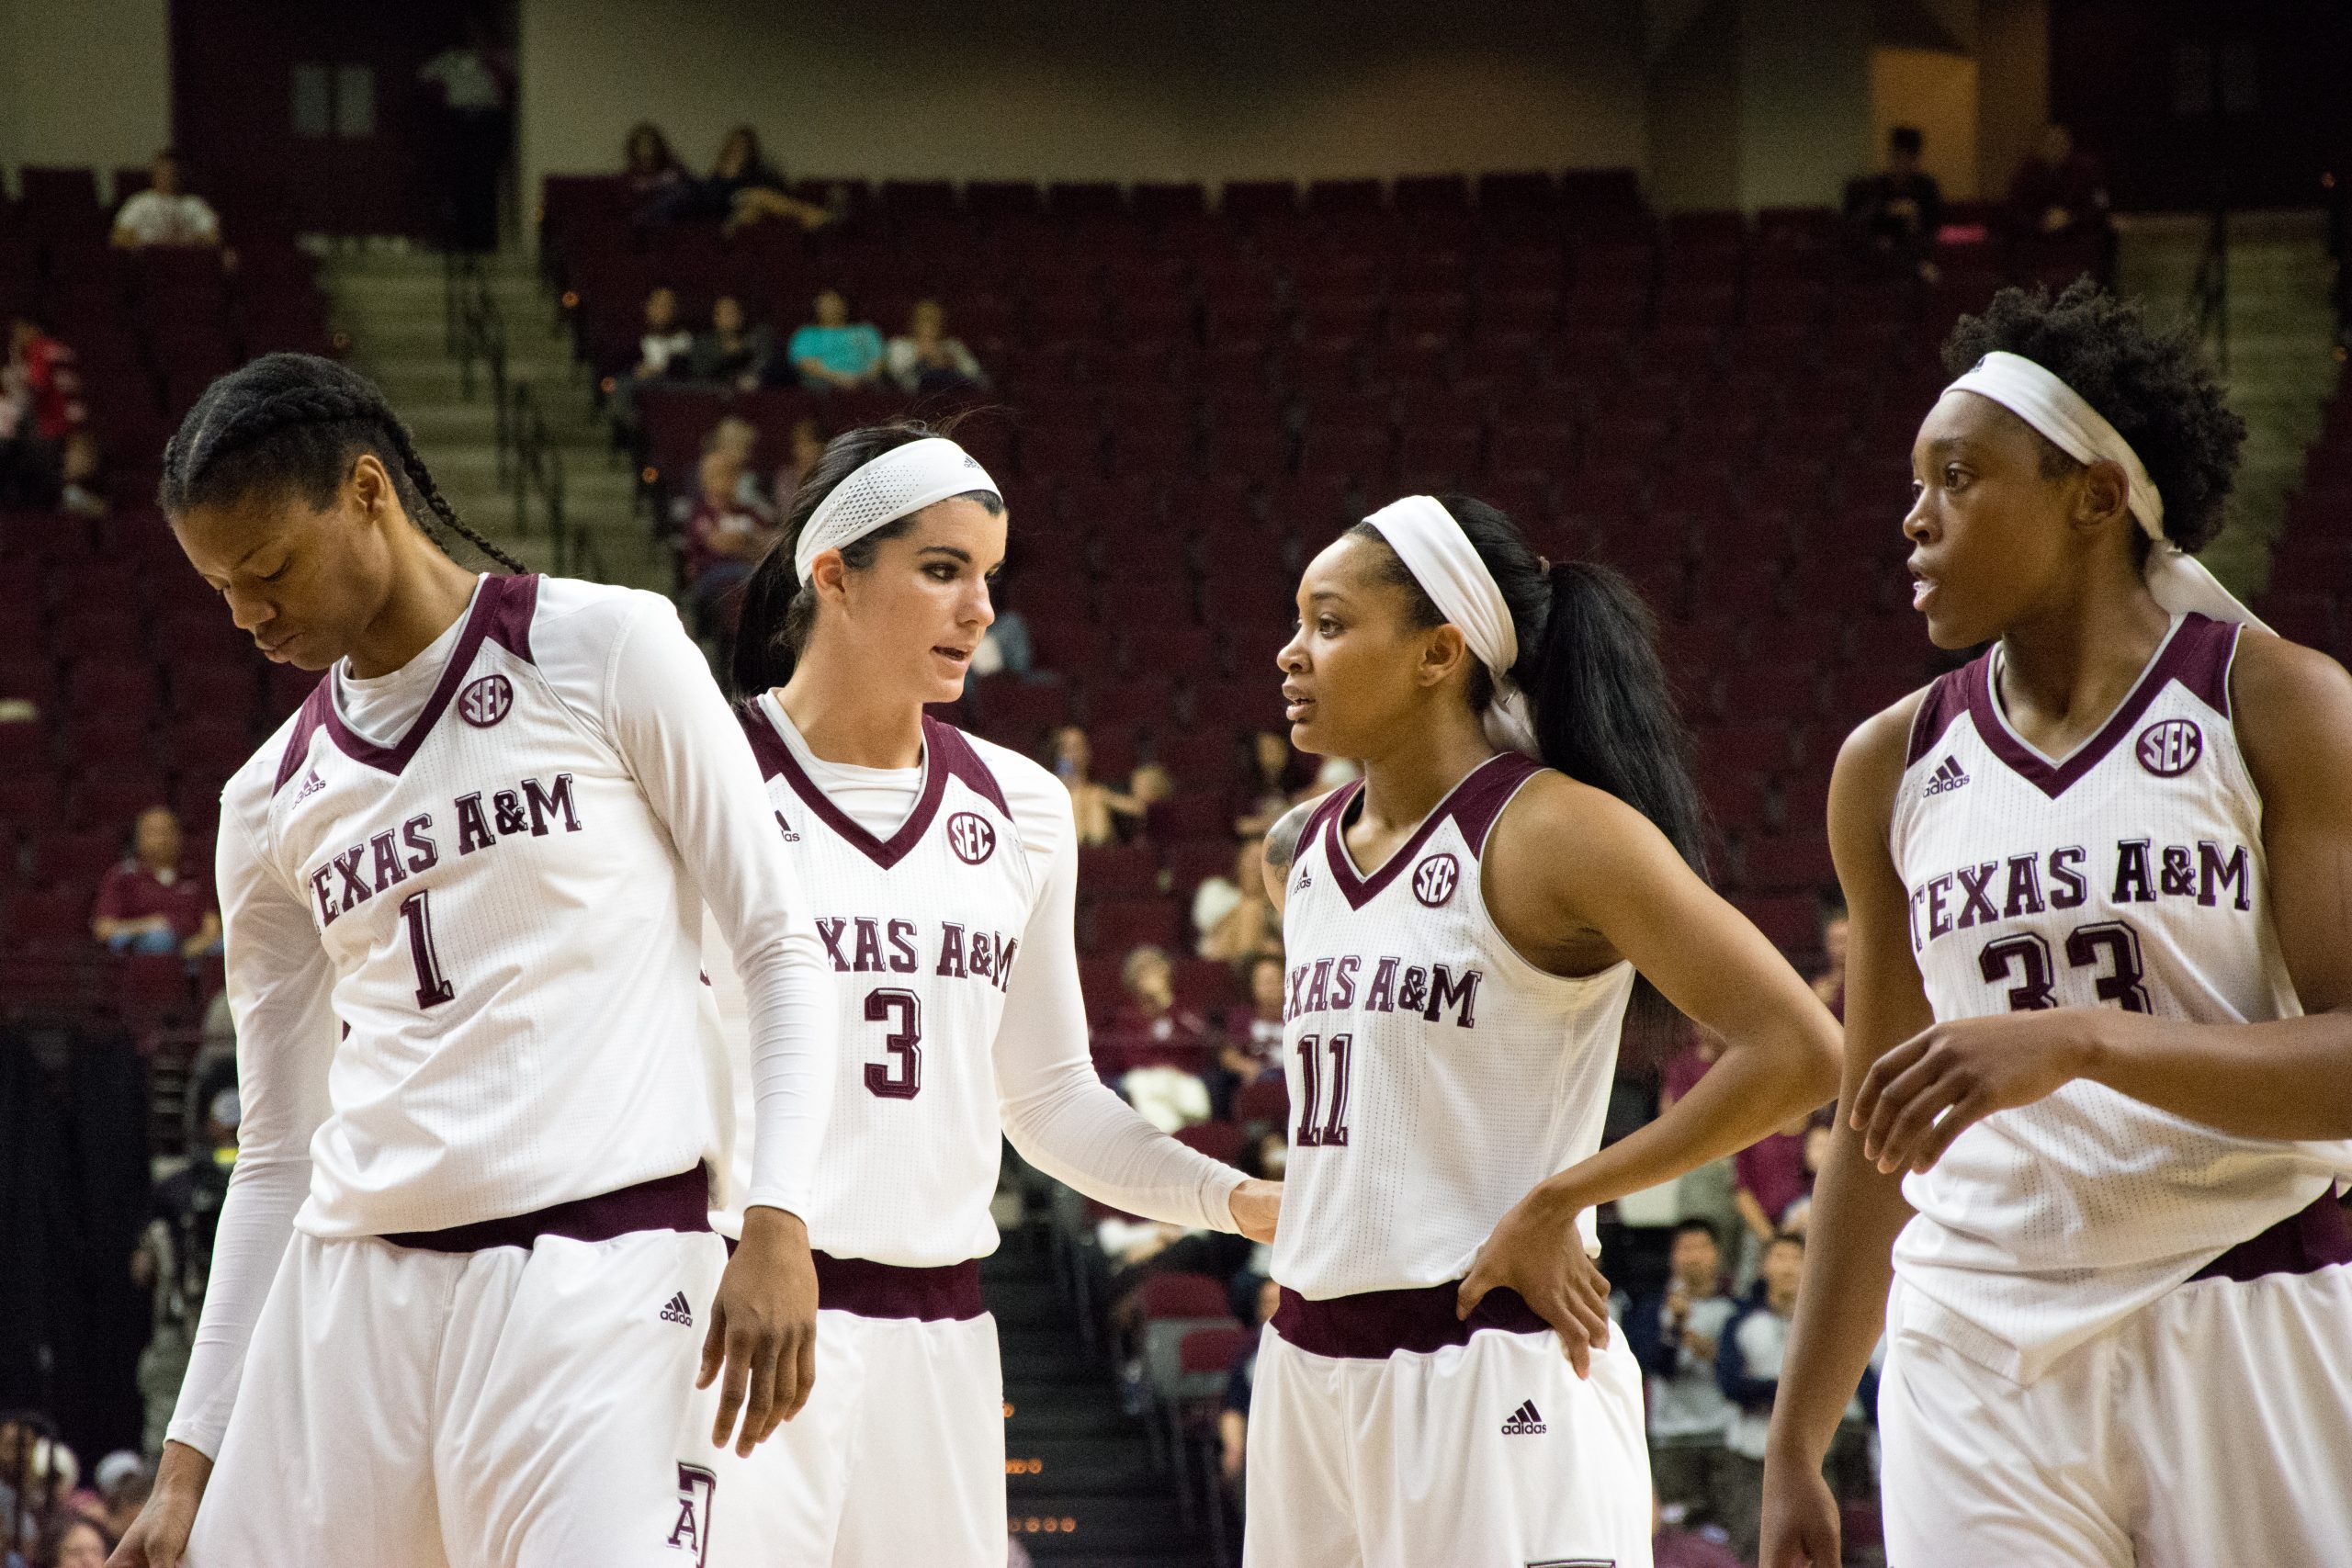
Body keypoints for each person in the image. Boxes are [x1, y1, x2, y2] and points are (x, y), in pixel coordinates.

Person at [108, 353, 839, 1568]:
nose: (248, 613)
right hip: (355, 1297)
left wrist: (777, 1215)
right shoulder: (266, 799)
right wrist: (193, 1455)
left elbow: (776, 940)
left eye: (270, 569)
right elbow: (279, 1153)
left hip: (597, 1267)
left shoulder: (607, 646)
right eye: (221, 587)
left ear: (365, 491)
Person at [1759, 282, 2352, 1567]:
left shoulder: (2277, 703)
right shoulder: (1890, 764)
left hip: (2241, 1295)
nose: (1914, 518)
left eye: (1959, 476)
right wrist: (1798, 1432)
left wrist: (2087, 1042)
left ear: (2093, 494)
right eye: (1917, 481)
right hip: (1974, 1334)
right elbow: (1877, 1124)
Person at [701, 418, 1277, 1564]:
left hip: (944, 1333)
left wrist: (1238, 1200)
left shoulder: (1022, 805)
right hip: (733, 1319)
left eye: (990, 579)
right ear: (835, 575)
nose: (980, 612)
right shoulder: (700, 775)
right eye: (942, 570)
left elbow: (1052, 1098)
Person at [1246, 491, 1842, 1568]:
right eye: (1298, 623)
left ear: (1439, 652)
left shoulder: (1555, 830)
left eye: (1328, 625)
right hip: (1308, 1360)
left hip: (1487, 1357)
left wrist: (1564, 1196)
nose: (1291, 654)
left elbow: (1800, 1048)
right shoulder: (1299, 852)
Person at [1627, 1219, 1742, 1539]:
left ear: (1717, 1254)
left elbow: (1741, 1374)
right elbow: (1650, 1365)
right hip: (1672, 1438)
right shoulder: (1652, 1310)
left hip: (1723, 1436)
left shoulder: (1734, 1309)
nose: (1693, 1257)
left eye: (1701, 1247)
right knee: (1675, 1538)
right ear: (1672, 1257)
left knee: (1728, 1535)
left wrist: (1715, 1353)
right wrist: (1673, 1329)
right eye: (1685, 1248)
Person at [1716, 1232, 1806, 1562]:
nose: (1787, 1268)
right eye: (1779, 1257)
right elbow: (1729, 1385)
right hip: (1750, 1450)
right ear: (1764, 1266)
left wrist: (1767, 1388)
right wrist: (1785, 1390)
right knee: (1749, 1543)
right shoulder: (1740, 1321)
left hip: (1812, 1451)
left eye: (1796, 1258)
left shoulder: (1822, 1320)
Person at [414, 18, 513, 254]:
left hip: (488, 120)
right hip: (459, 121)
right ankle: (463, 240)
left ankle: (485, 242)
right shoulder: (452, 59)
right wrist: (444, 99)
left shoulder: (499, 57)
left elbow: (511, 82)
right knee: (461, 179)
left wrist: (489, 61)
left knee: (484, 180)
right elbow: (424, 77)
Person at [1095, 942, 1216, 1132]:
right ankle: (1175, 1139)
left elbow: (1198, 1040)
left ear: (1166, 969)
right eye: (1142, 970)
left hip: (1184, 1076)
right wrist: (1164, 1066)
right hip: (1148, 1077)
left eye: (1154, 967)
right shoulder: (1128, 1015)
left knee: (1179, 1097)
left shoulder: (1185, 1007)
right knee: (1141, 1086)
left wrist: (1165, 1001)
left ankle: (1176, 1141)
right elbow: (1133, 1055)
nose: (1149, 975)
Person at [91, 807, 221, 958]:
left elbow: (211, 922)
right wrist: (153, 925)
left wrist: (200, 943)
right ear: (138, 838)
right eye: (153, 832)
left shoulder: (191, 874)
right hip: (144, 950)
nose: (162, 839)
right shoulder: (122, 876)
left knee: (228, 945)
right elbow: (103, 929)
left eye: (168, 831)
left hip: (190, 949)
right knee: (159, 940)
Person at [682, 442, 777, 635]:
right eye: (721, 474)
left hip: (751, 573)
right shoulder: (701, 513)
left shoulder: (748, 512)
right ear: (705, 478)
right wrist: (751, 543)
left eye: (733, 474)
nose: (728, 479)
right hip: (714, 578)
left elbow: (774, 544)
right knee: (739, 590)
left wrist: (744, 542)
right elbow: (719, 543)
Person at [1845, 126, 1941, 280]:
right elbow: (1861, 226)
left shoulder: (1926, 189)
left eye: (1908, 157)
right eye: (1898, 156)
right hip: (1880, 256)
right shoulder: (1875, 188)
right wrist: (1888, 211)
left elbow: (1932, 228)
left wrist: (1913, 219)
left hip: (1914, 252)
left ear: (1915, 158)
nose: (1902, 163)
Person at [1219, 1275, 1284, 1498]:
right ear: (1258, 1310)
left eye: (1282, 1303)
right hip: (1266, 1444)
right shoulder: (1248, 1354)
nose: (1276, 1310)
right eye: (1269, 1303)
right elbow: (1233, 1407)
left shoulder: (1320, 1347)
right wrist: (1234, 1447)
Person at [2007, 123, 2109, 242]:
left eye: (2061, 141)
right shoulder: (2026, 174)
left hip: (2079, 239)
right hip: (2036, 240)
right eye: (2050, 142)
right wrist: (2041, 223)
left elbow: (2100, 206)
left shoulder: (2087, 171)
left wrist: (2071, 218)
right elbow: (2014, 209)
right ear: (2040, 146)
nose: (2056, 147)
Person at [1050, 725, 1145, 846]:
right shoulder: (1050, 790)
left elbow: (1140, 809)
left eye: (1076, 747)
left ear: (1087, 752)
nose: (1072, 754)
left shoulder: (1102, 789)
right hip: (1068, 852)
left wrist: (1107, 798)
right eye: (1066, 748)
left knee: (1094, 797)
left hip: (1102, 850)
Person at [109, 152, 221, 251]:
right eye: (163, 171)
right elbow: (118, 238)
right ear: (154, 174)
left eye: (172, 171)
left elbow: (213, 238)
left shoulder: (194, 204)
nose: (168, 176)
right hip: (148, 262)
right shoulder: (139, 202)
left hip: (185, 261)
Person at [787, 290, 886, 393]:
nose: (831, 308)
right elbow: (805, 363)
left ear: (844, 305)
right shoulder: (806, 334)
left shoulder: (866, 330)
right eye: (825, 304)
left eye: (834, 302)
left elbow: (877, 360)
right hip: (825, 382)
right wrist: (838, 378)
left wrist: (862, 378)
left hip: (864, 381)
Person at [885, 300, 988, 398]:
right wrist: (918, 357)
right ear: (913, 321)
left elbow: (978, 378)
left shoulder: (954, 347)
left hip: (951, 401)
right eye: (924, 318)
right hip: (911, 403)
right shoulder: (899, 345)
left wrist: (952, 362)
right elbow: (892, 377)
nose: (928, 324)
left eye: (934, 319)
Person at [1192, 835, 1269, 959]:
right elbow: (1205, 923)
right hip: (1219, 948)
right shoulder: (1215, 889)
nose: (1257, 866)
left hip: (1265, 954)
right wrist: (1250, 901)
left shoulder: (1279, 898)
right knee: (1251, 909)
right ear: (1240, 860)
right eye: (1253, 859)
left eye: (1263, 860)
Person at [1220, 950, 1289, 1088]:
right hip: (1258, 1077)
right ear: (1253, 985)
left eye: (1275, 981)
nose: (1270, 987)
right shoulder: (1242, 1016)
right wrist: (1246, 1066)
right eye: (1264, 982)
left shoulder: (1295, 1015)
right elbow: (1228, 1055)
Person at [688, 296, 773, 390]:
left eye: (735, 312)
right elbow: (699, 372)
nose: (732, 317)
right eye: (727, 313)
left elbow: (763, 367)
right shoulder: (704, 344)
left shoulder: (754, 341)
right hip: (712, 393)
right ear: (716, 318)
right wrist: (727, 354)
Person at [619, 122, 684, 200]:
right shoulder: (627, 181)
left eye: (651, 145)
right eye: (643, 146)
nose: (648, 151)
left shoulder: (673, 176)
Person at [1810, 895, 1848, 1017]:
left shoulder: (1869, 986)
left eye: (1845, 941)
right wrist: (1816, 1003)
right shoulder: (1819, 988)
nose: (1840, 948)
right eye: (1835, 941)